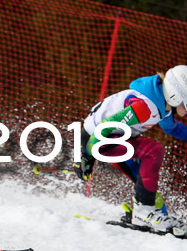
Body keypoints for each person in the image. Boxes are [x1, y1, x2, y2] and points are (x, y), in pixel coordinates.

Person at [74, 65, 187, 236]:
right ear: (175, 96)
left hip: (114, 139)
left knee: (148, 189)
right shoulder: (144, 107)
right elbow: (105, 127)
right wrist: (86, 157)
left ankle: (152, 216)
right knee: (154, 151)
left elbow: (171, 128)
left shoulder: (161, 105)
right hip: (98, 139)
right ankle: (144, 212)